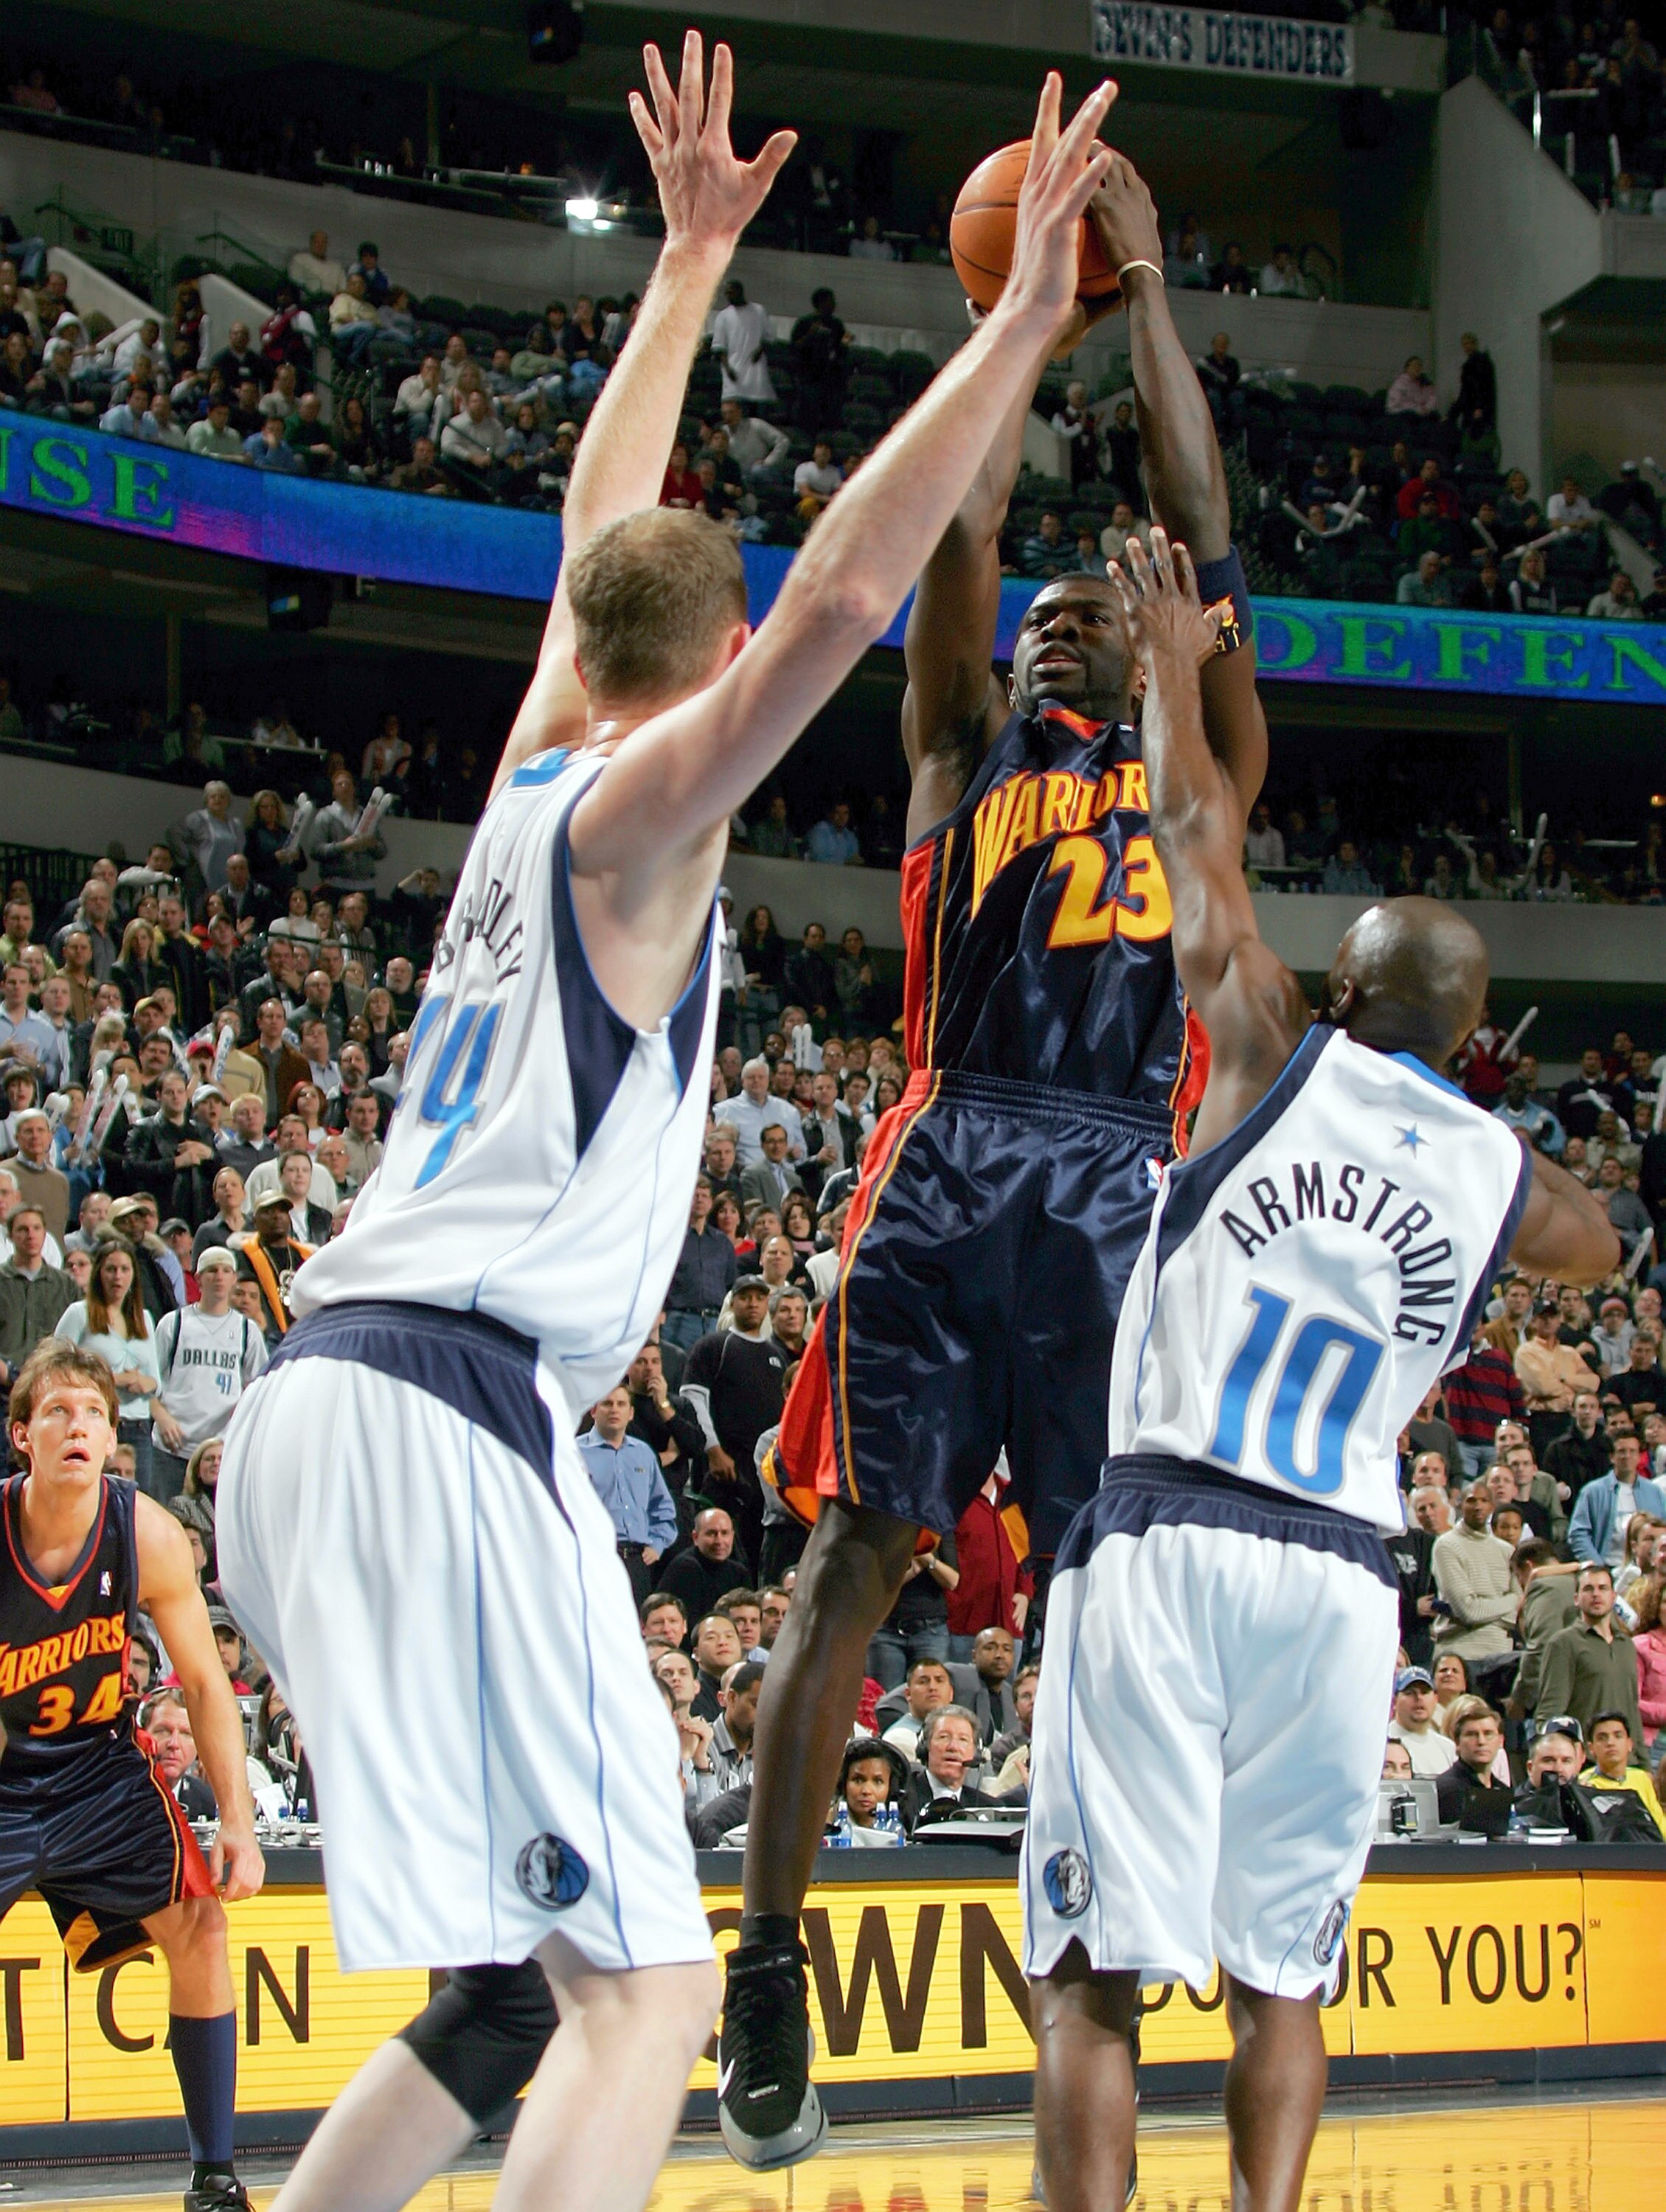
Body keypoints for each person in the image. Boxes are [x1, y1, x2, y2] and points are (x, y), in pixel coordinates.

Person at [218, 51, 1121, 2212]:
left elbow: (596, 519)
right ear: (701, 664)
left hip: (314, 1424)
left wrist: (695, 262)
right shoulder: (635, 817)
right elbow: (830, 609)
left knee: (514, 1995)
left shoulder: (539, 751)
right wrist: (1005, 343)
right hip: (451, 1416)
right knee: (645, 1997)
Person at [726, 142, 1268, 2171]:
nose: (1055, 628)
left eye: (1087, 619)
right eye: (1039, 624)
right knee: (852, 1557)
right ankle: (769, 1956)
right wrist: (1013, 324)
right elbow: (957, 549)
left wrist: (1145, 307)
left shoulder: (1198, 774)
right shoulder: (962, 754)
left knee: (1109, 1597)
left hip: (1125, 1175)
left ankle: (1105, 1935)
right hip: (955, 1160)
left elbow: (1199, 530)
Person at [1020, 532, 1618, 2212]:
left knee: (1090, 1969)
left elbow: (1194, 827)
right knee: (1281, 1976)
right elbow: (1590, 1243)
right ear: (1472, 1035)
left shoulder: (1269, 1039)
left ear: (1340, 985)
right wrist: (1467, 1109)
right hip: (1341, 1573)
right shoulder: (1496, 1172)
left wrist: (1158, 670)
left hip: (1169, 1526)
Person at [0, 1340, 263, 2211]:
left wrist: (237, 1821)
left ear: (115, 1440)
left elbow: (202, 1685)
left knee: (200, 1928)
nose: (79, 1426)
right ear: (21, 1436)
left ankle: (215, 2181)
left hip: (95, 1772)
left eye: (96, 1415)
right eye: (58, 1412)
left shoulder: (146, 1532)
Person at [577, 1384, 678, 1607]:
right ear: (593, 1411)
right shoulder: (575, 1453)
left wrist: (658, 1544)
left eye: (621, 1404)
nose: (614, 1410)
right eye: (607, 1404)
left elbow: (662, 1507)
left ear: (630, 1413)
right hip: (595, 1558)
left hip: (637, 1561)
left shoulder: (644, 1453)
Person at [1535, 1564, 1644, 1745]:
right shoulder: (1564, 1643)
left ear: (1613, 1596)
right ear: (1576, 1599)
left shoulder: (1627, 1645)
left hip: (1626, 1761)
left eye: (1603, 1588)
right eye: (1588, 1589)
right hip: (1585, 1759)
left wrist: (1644, 1763)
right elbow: (1551, 1711)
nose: (1596, 1594)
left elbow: (1632, 1710)